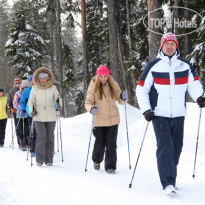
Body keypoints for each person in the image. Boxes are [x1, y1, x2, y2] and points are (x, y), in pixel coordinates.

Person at [136, 32, 205, 195]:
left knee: (176, 148)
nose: (169, 46)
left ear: (176, 46)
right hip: (159, 113)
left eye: (172, 44)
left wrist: (200, 97)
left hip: (179, 114)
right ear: (161, 46)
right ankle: (168, 182)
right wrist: (146, 109)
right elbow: (141, 89)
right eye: (166, 44)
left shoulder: (184, 65)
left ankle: (170, 176)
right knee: (165, 146)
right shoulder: (153, 66)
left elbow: (193, 84)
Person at [85, 65, 128, 174]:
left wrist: (124, 97)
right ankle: (97, 159)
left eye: (105, 76)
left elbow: (120, 99)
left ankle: (110, 167)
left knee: (111, 143)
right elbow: (88, 102)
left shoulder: (113, 83)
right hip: (99, 119)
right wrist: (91, 109)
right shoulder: (93, 84)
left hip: (113, 119)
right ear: (98, 76)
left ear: (108, 75)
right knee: (100, 142)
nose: (103, 78)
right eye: (101, 76)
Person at [28, 67, 62, 167]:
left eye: (45, 78)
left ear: (48, 78)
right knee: (41, 136)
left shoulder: (53, 88)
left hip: (51, 115)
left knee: (50, 137)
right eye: (41, 78)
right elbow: (31, 102)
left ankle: (49, 160)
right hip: (38, 116)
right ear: (38, 79)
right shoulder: (34, 88)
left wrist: (59, 104)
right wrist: (32, 111)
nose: (43, 80)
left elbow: (58, 98)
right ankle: (39, 160)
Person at [20, 75, 36, 157]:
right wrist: (22, 109)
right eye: (31, 81)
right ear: (29, 82)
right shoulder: (26, 91)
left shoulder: (40, 89)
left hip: (41, 115)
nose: (33, 82)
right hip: (31, 115)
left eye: (34, 80)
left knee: (41, 133)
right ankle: (33, 150)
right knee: (33, 133)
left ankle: (42, 149)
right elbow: (22, 101)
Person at [13, 77, 30, 151]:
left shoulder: (29, 92)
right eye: (23, 87)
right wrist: (20, 107)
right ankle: (21, 143)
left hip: (27, 113)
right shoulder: (18, 93)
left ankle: (27, 143)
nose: (24, 89)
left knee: (27, 128)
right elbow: (14, 103)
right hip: (20, 113)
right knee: (20, 128)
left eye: (26, 87)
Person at [7, 77, 22, 146]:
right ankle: (20, 142)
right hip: (15, 111)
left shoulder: (22, 90)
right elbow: (8, 100)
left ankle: (25, 141)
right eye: (17, 83)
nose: (18, 84)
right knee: (18, 126)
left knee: (24, 126)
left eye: (19, 83)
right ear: (14, 84)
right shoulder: (11, 91)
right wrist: (10, 104)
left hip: (23, 111)